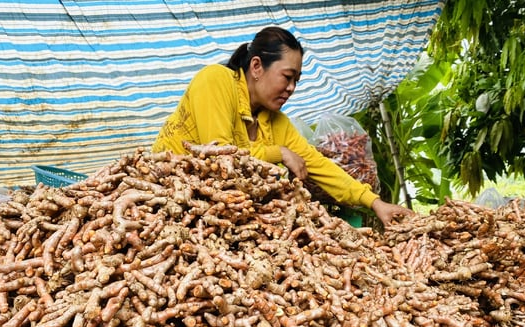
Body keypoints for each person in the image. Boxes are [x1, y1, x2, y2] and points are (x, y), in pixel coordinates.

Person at [152, 26, 413, 226]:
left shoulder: (277, 122)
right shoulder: (216, 81)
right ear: (256, 66)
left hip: (216, 214)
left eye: (296, 81)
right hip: (165, 199)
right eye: (287, 77)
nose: (291, 88)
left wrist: (375, 203)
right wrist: (279, 153)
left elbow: (316, 164)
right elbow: (219, 158)